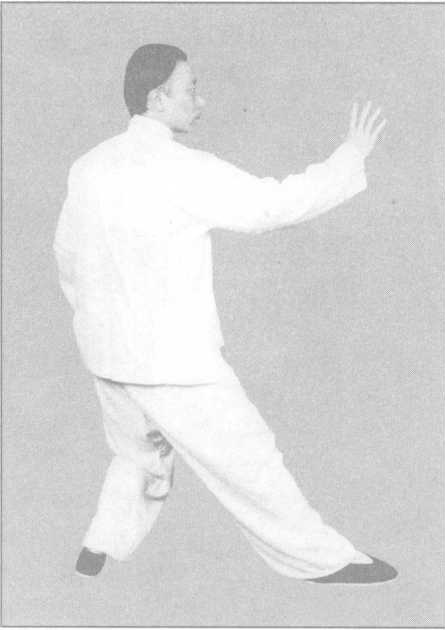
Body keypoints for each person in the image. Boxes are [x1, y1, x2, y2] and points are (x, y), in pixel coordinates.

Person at [53, 44, 396, 584]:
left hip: (108, 356)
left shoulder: (90, 165)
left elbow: (68, 256)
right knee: (253, 462)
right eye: (190, 89)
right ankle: (321, 561)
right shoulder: (182, 169)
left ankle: (99, 546)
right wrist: (349, 156)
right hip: (174, 365)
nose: (201, 100)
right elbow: (273, 206)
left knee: (139, 455)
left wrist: (93, 322)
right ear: (156, 98)